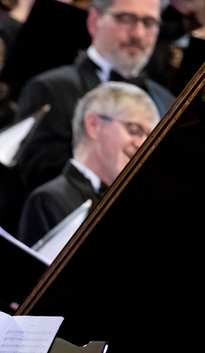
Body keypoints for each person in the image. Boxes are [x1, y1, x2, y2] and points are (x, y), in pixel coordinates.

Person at [15, 0, 174, 192]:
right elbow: (37, 174)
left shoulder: (167, 102)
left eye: (149, 23)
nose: (138, 34)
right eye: (126, 19)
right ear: (94, 20)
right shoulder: (50, 88)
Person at [17, 81, 158, 245]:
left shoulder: (137, 210)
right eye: (134, 130)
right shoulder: (49, 200)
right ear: (94, 124)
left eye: (149, 138)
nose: (142, 145)